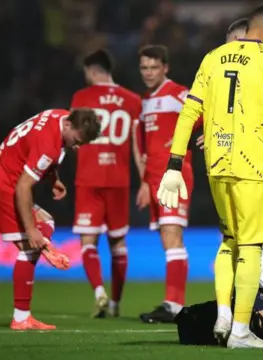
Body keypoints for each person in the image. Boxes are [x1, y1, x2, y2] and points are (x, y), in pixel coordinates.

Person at [155, 5, 263, 348]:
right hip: (253, 167)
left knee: (229, 240)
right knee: (252, 247)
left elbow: (189, 111)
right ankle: (240, 331)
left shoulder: (214, 57)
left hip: (217, 163)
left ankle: (225, 312)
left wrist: (174, 164)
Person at [196, 17, 263, 241]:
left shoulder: (262, 70)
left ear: (239, 40)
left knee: (255, 243)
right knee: (252, 243)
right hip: (261, 166)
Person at [0, 108, 101, 329]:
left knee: (45, 223)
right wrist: (31, 230)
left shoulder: (58, 114)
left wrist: (53, 178)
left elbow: (32, 150)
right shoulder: (49, 146)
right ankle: (20, 318)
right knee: (29, 245)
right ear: (68, 126)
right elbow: (23, 187)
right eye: (76, 141)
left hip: (6, 174)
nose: (76, 147)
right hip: (6, 186)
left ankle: (43, 248)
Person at [70, 49, 142, 318]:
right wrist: (144, 180)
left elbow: (73, 137)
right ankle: (116, 303)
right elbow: (138, 145)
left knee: (88, 241)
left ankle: (99, 291)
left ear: (91, 70)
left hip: (89, 177)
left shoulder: (81, 97)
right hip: (119, 179)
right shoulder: (133, 101)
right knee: (118, 243)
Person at [135, 45, 200, 324]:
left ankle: (174, 305)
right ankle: (172, 303)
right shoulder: (146, 101)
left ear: (165, 68)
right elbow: (142, 147)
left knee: (172, 235)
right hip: (153, 178)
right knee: (166, 238)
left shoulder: (178, 93)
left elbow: (206, 116)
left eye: (154, 67)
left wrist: (195, 138)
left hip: (174, 174)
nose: (148, 73)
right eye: (144, 68)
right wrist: (143, 183)